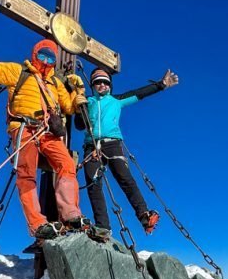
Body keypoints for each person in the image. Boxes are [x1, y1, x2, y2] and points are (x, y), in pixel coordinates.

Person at [0, 10, 88, 240]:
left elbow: (70, 107)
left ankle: (71, 214)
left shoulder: (55, 83)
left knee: (67, 165)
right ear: (35, 54)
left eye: (50, 58)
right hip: (24, 128)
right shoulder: (17, 72)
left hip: (48, 132)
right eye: (42, 56)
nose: (46, 61)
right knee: (26, 174)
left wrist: (78, 90)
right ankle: (37, 224)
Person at [76, 67, 178, 239]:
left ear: (110, 85)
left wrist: (161, 85)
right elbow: (79, 125)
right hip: (91, 146)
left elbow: (138, 94)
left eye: (105, 82)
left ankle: (144, 215)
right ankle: (103, 227)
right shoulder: (87, 102)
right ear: (92, 85)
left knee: (125, 178)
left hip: (112, 143)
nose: (101, 85)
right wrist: (79, 107)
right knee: (93, 185)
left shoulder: (116, 100)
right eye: (97, 82)